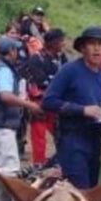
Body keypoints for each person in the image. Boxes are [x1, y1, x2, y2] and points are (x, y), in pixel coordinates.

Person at [42, 27, 101, 188]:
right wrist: (82, 110)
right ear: (82, 48)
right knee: (79, 188)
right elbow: (48, 101)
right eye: (92, 44)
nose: (97, 48)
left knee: (92, 187)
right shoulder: (70, 71)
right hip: (72, 138)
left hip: (95, 138)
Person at [0, 36, 42, 201]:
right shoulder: (4, 71)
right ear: (11, 52)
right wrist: (29, 104)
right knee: (8, 165)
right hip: (2, 123)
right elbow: (5, 96)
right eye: (16, 50)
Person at [24, 28, 66, 167]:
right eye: (60, 41)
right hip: (40, 103)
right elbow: (41, 82)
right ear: (52, 43)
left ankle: (62, 162)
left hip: (58, 103)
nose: (63, 44)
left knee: (62, 135)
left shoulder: (62, 58)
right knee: (39, 137)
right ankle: (39, 166)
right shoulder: (37, 58)